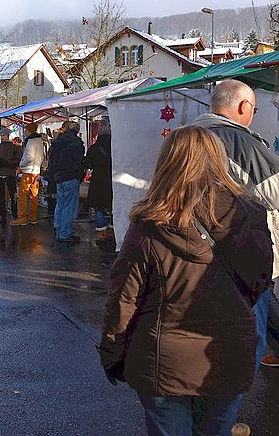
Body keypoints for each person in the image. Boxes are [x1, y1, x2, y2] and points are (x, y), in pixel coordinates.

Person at [99, 126, 272, 436]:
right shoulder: (251, 215)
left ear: (168, 162)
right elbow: (260, 283)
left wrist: (112, 354)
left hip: (163, 363)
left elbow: (123, 300)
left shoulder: (150, 225)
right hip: (228, 355)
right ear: (218, 159)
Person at [194, 79, 279, 376]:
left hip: (194, 249)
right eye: (254, 109)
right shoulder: (240, 141)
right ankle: (220, 419)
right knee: (247, 335)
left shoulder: (184, 137)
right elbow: (275, 192)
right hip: (239, 249)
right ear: (244, 106)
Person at [49, 120, 85, 242]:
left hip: (59, 176)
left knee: (61, 204)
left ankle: (58, 228)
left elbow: (51, 158)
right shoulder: (77, 143)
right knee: (69, 206)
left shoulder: (57, 141)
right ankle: (65, 232)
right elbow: (79, 162)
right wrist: (79, 176)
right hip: (71, 176)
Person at [84, 121, 113, 246]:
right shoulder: (116, 145)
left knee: (98, 206)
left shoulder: (94, 148)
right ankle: (114, 229)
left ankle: (102, 232)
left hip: (98, 179)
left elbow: (88, 165)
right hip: (113, 179)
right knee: (114, 205)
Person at [12, 123, 45, 226]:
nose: (24, 132)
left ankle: (22, 217)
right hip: (36, 171)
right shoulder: (39, 141)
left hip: (28, 171)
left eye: (26, 130)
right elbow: (42, 156)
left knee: (22, 194)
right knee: (34, 195)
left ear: (30, 131)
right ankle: (33, 216)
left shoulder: (30, 142)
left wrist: (21, 164)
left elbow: (29, 157)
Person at [0, 127, 18, 224]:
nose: (2, 137)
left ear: (8, 136)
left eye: (4, 135)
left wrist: (7, 163)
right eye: (1, 135)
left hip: (10, 174)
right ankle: (3, 215)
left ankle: (15, 214)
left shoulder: (14, 147)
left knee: (12, 194)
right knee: (1, 196)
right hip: (0, 174)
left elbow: (17, 160)